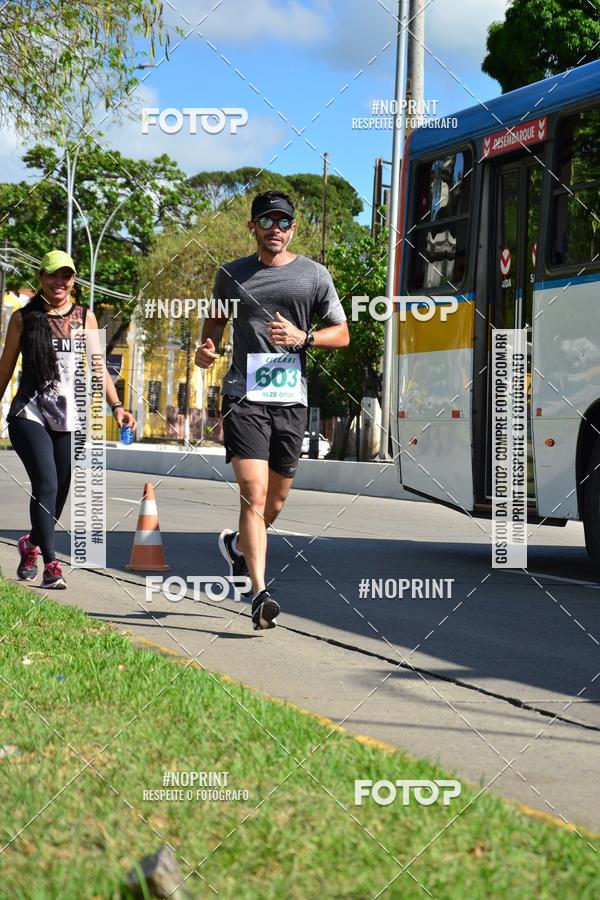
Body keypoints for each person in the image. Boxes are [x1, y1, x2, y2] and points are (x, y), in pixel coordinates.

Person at [194, 190, 349, 630]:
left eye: (283, 222)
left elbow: (342, 334)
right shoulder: (231, 275)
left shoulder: (314, 276)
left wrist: (305, 338)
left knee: (276, 500)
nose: (275, 229)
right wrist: (206, 350)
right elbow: (214, 324)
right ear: (253, 228)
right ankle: (258, 592)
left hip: (290, 399)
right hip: (243, 393)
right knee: (254, 492)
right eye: (267, 221)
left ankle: (239, 548)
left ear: (293, 229)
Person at [0, 250, 137, 589]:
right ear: (41, 277)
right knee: (45, 484)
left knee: (59, 490)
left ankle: (30, 544)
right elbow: (5, 368)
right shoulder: (23, 318)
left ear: (73, 280)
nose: (59, 281)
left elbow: (97, 366)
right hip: (28, 413)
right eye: (53, 275)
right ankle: (51, 565)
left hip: (70, 416)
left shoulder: (84, 317)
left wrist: (117, 406)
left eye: (66, 275)